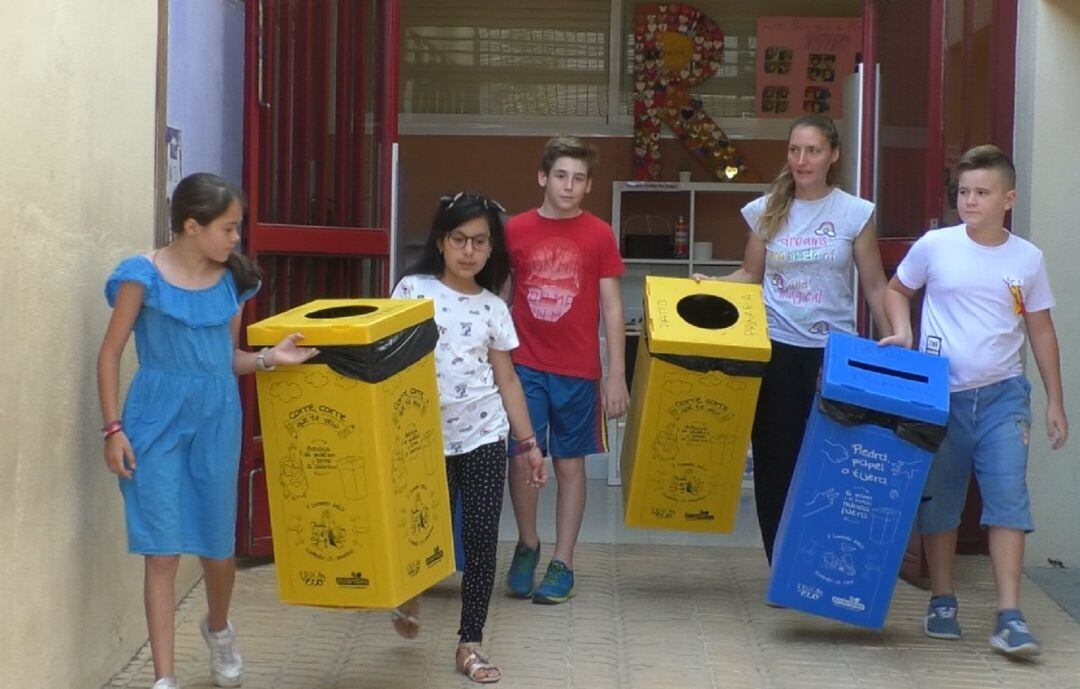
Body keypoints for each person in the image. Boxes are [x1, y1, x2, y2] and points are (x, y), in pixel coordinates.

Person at [97, 173, 318, 689]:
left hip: (217, 420)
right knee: (162, 549)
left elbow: (227, 359)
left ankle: (219, 629)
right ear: (192, 226)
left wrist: (270, 359)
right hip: (153, 423)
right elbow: (109, 353)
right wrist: (113, 429)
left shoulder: (233, 281)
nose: (237, 238)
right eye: (229, 227)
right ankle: (165, 679)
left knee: (218, 551)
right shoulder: (141, 276)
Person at [879, 144, 1067, 657]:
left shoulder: (1027, 259)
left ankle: (1010, 614)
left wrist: (1055, 401)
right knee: (940, 500)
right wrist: (901, 332)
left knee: (1008, 499)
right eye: (963, 192)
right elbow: (896, 290)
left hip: (1005, 396)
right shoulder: (935, 246)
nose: (970, 201)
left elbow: (1042, 331)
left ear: (1008, 198)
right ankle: (943, 598)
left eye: (982, 193)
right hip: (940, 395)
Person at [693, 113, 892, 564]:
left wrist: (894, 340)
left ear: (833, 155)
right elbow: (750, 274)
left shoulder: (854, 213)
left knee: (833, 463)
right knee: (775, 461)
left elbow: (876, 285)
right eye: (795, 150)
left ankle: (824, 562)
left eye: (813, 150)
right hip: (776, 350)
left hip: (833, 353)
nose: (802, 160)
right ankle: (781, 562)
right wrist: (709, 285)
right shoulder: (767, 210)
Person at [390, 192, 548, 684]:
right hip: (420, 437)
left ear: (490, 249)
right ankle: (408, 593)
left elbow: (508, 382)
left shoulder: (494, 309)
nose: (468, 250)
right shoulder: (412, 290)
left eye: (480, 242)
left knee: (480, 540)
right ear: (441, 242)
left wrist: (529, 445)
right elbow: (388, 359)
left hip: (482, 434)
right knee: (420, 532)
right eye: (459, 239)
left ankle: (470, 643)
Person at [503, 135, 629, 605]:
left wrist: (615, 374)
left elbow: (613, 308)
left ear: (589, 185)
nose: (568, 185)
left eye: (578, 178)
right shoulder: (513, 230)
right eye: (560, 175)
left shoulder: (599, 234)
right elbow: (499, 299)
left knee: (570, 464)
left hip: (579, 370)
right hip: (524, 365)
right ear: (542, 177)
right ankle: (528, 544)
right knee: (522, 457)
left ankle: (564, 561)